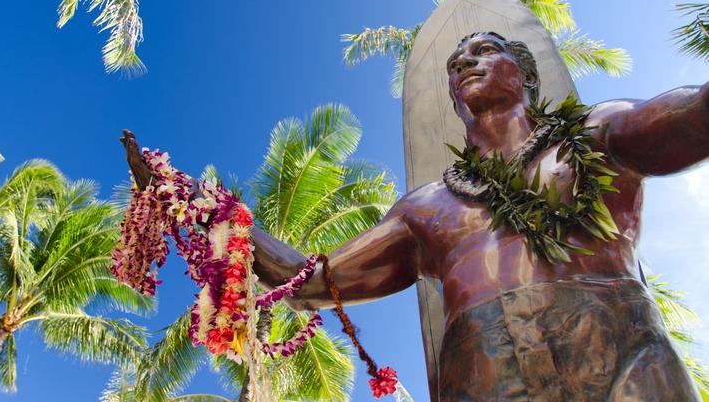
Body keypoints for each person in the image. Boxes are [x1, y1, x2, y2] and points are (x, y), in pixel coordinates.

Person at [247, 32, 708, 401]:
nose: (465, 62)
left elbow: (694, 118)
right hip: (482, 371)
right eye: (455, 64)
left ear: (525, 76)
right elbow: (306, 282)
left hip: (623, 350)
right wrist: (220, 216)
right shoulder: (425, 208)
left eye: (485, 50)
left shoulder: (596, 133)